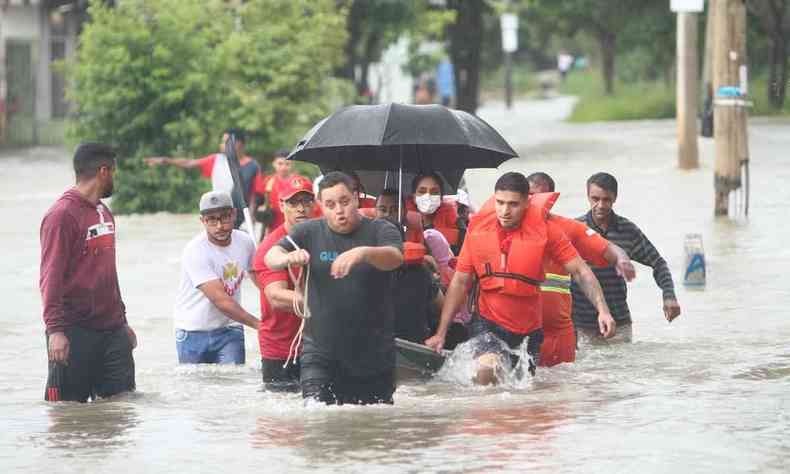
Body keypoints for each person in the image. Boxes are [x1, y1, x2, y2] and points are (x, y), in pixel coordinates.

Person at [425, 172, 615, 385]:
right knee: (487, 369)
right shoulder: (477, 230)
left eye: (513, 204)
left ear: (527, 202)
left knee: (518, 394)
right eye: (500, 203)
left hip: (528, 332)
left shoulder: (547, 231)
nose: (505, 211)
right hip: (487, 323)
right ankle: (482, 416)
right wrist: (441, 333)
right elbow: (459, 283)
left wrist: (603, 310)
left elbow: (581, 271)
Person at [264, 171, 404, 405]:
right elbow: (271, 256)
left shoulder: (381, 230)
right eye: (330, 204)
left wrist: (363, 253)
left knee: (376, 431)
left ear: (357, 199)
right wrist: (288, 258)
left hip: (374, 355)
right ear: (321, 206)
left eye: (344, 202)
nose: (339, 210)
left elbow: (395, 258)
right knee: (317, 421)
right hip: (320, 354)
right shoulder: (307, 232)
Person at [40, 143, 136, 402]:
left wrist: (123, 323)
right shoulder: (61, 216)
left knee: (121, 408)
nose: (114, 178)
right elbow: (50, 277)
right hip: (74, 331)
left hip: (113, 332)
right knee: (68, 414)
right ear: (103, 171)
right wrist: (56, 331)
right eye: (114, 172)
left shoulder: (104, 212)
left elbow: (109, 273)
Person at [526, 172, 636, 366]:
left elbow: (602, 252)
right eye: (529, 195)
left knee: (563, 389)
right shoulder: (503, 225)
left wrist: (621, 258)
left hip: (559, 333)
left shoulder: (567, 228)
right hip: (519, 329)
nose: (534, 201)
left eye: (540, 197)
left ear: (551, 200)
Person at [572, 172, 681, 343]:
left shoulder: (627, 230)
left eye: (606, 199)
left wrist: (669, 295)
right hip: (581, 326)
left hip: (619, 324)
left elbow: (658, 263)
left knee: (623, 369)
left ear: (615, 198)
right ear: (587, 196)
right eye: (595, 199)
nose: (600, 205)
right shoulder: (575, 230)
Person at [173, 191, 260, 364]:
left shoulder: (246, 242)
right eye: (211, 219)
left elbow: (258, 276)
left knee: (232, 384)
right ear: (202, 221)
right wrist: (261, 326)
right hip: (192, 332)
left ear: (234, 214)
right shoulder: (195, 251)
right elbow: (222, 302)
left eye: (225, 217)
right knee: (196, 389)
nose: (219, 226)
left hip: (230, 329)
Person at [251, 175, 316, 391]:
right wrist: (325, 304)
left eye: (307, 201)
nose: (301, 209)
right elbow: (277, 297)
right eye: (293, 202)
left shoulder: (323, 235)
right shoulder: (269, 247)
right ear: (281, 205)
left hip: (319, 346)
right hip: (281, 350)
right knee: (282, 423)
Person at [145, 129, 261, 228]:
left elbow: (254, 195)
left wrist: (251, 217)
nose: (222, 145)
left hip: (241, 217)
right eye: (222, 142)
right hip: (219, 213)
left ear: (239, 144)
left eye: (226, 142)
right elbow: (189, 163)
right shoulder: (216, 160)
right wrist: (166, 160)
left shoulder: (252, 166)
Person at [406, 172, 462, 252]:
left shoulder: (456, 223)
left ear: (441, 197)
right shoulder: (403, 223)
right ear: (414, 197)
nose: (428, 196)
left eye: (434, 192)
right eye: (422, 191)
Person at [253, 149, 293, 237]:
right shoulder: (268, 181)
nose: (283, 167)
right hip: (272, 227)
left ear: (292, 164)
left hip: (293, 227)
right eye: (280, 163)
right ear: (274, 164)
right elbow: (258, 201)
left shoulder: (298, 182)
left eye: (287, 164)